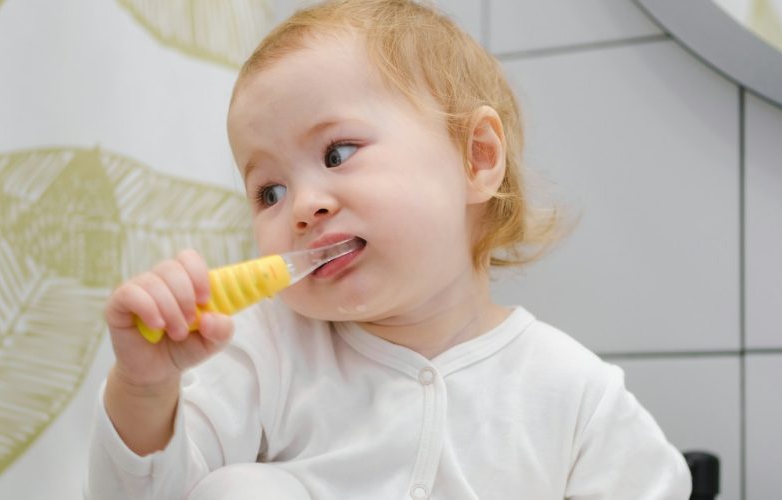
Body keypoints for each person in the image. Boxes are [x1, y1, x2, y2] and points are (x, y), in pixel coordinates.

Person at [87, 0, 692, 498]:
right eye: (268, 191)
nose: (302, 206)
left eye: (338, 153)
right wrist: (144, 390)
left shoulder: (572, 393)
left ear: (476, 158)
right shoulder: (264, 350)